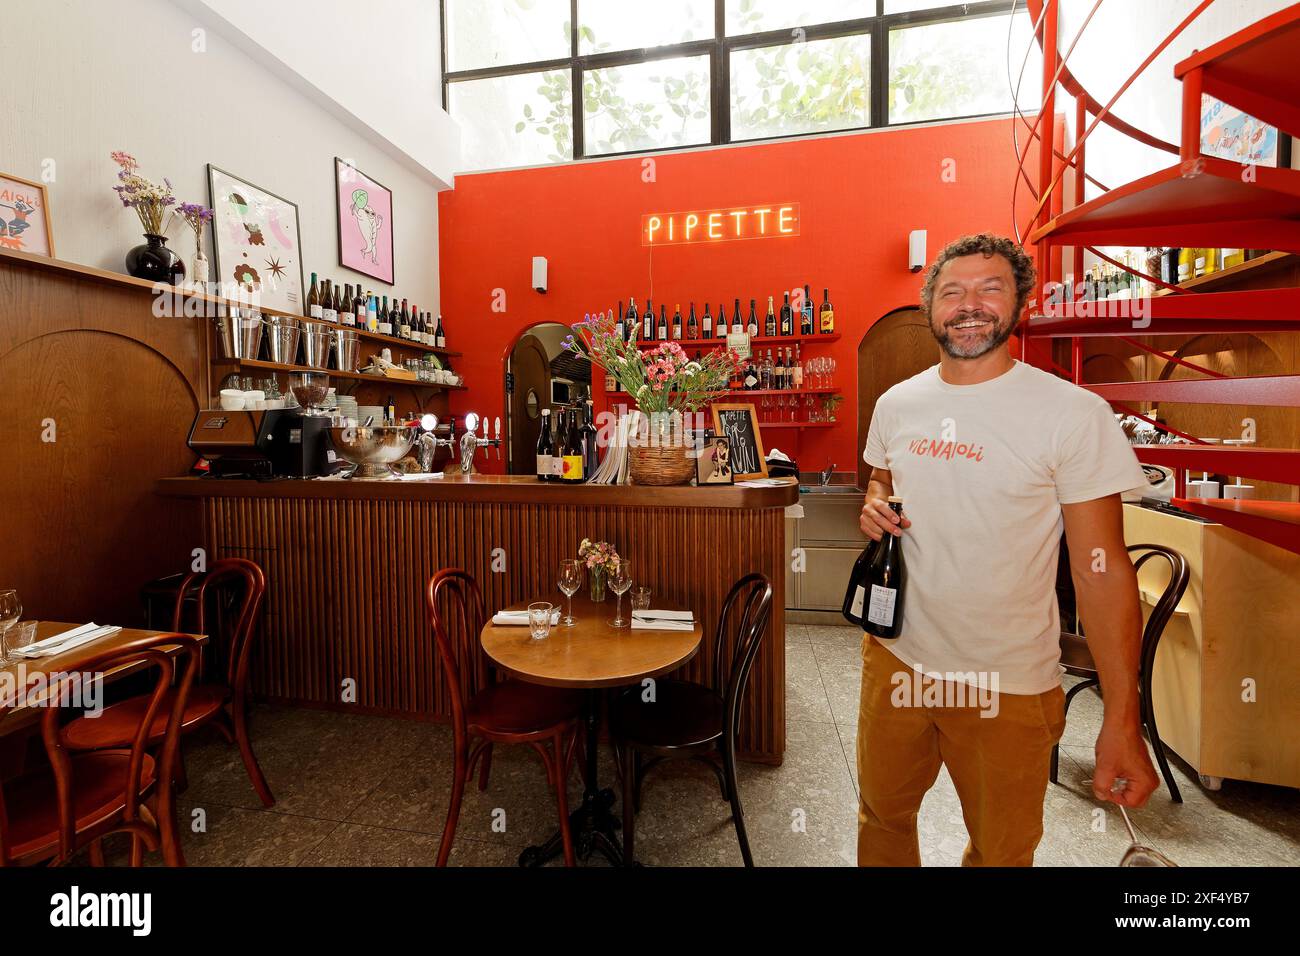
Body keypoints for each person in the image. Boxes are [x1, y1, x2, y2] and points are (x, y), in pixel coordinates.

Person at [856, 233, 1156, 867]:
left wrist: (1123, 719)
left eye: (990, 288)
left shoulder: (1072, 413)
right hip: (896, 659)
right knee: (883, 818)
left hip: (1008, 680)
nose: (971, 305)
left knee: (1001, 852)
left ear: (1019, 301)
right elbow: (883, 477)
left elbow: (1100, 572)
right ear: (928, 304)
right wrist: (876, 500)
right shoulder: (897, 402)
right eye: (953, 291)